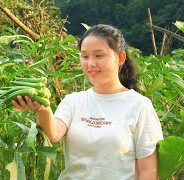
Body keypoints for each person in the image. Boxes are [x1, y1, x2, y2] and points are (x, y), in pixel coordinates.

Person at [12, 24, 163, 180]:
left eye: (99, 56)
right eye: (85, 56)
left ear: (121, 58)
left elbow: (148, 172)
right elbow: (54, 134)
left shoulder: (139, 106)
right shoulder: (74, 101)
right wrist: (42, 108)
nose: (90, 64)